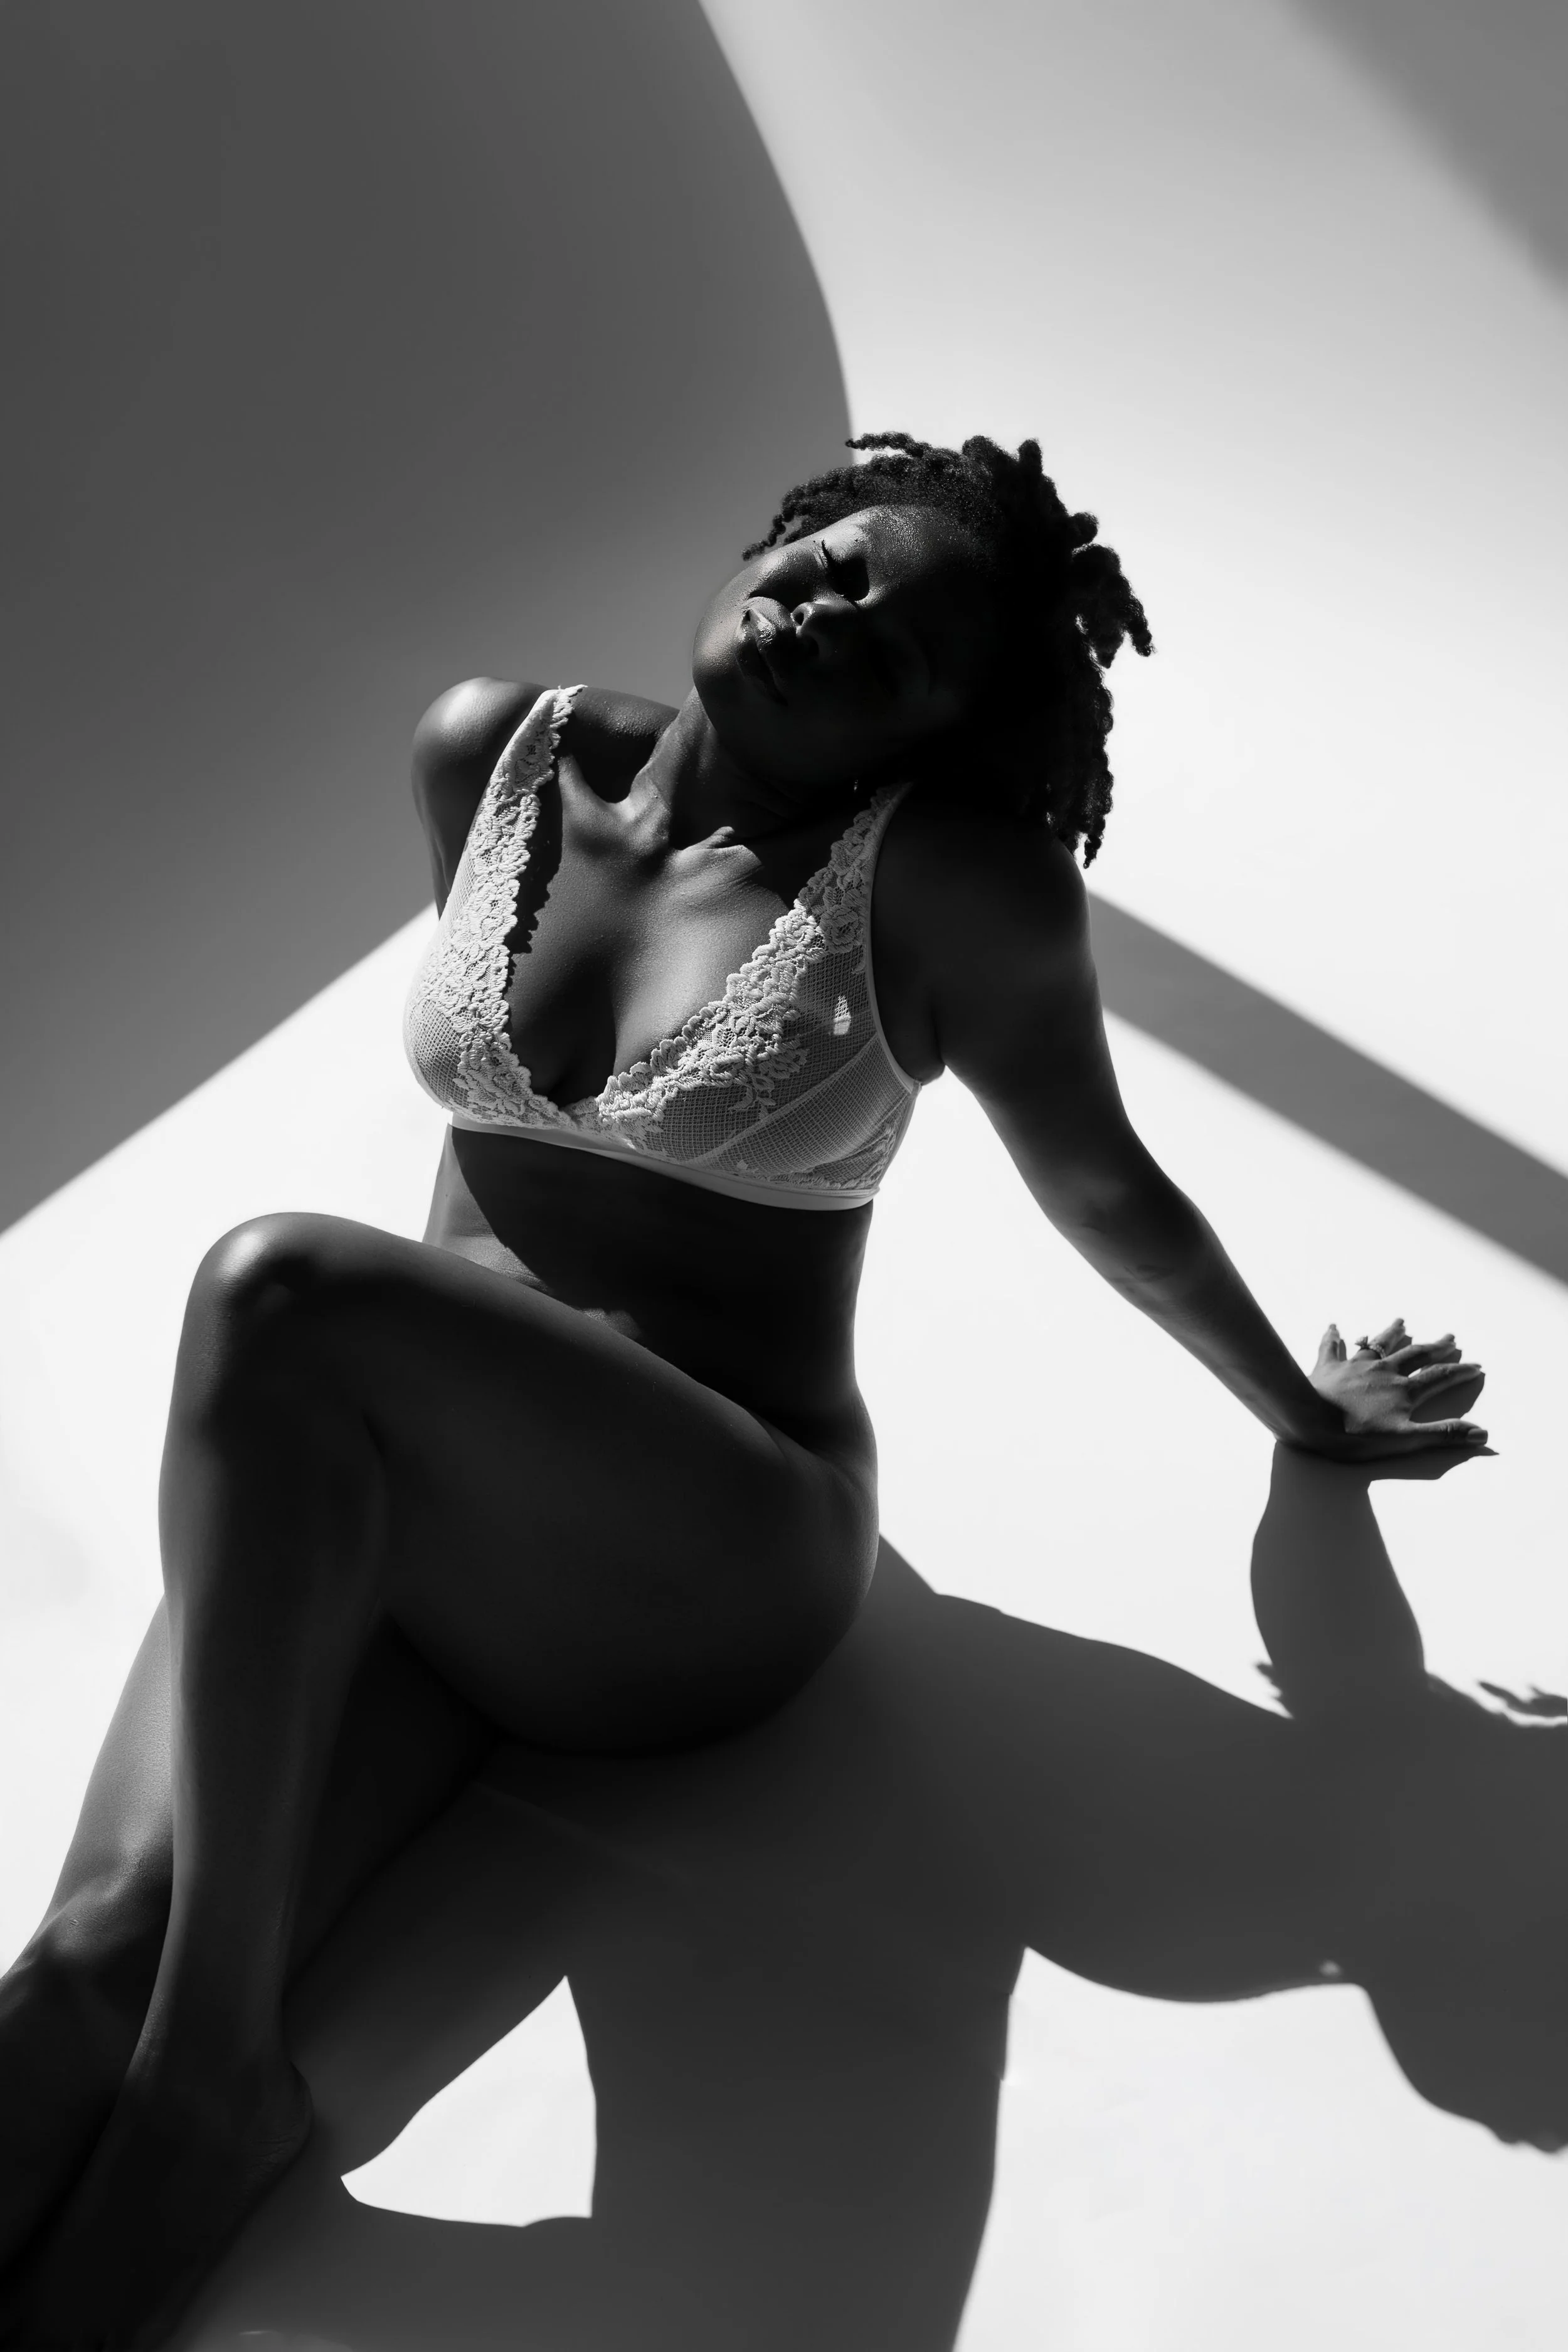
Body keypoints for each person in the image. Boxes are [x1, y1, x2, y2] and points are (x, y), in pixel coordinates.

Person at [0, 432, 1487, 2348]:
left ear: (930, 741)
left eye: (893, 654)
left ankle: (210, 2085)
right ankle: (171, 2095)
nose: (828, 622)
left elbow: (1105, 1189)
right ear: (777, 537)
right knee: (72, 1970)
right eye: (834, 567)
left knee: (276, 1288)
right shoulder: (495, 748)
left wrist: (1302, 1406)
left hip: (706, 1553)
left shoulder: (946, 893)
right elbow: (490, 1146)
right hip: (430, 1506)